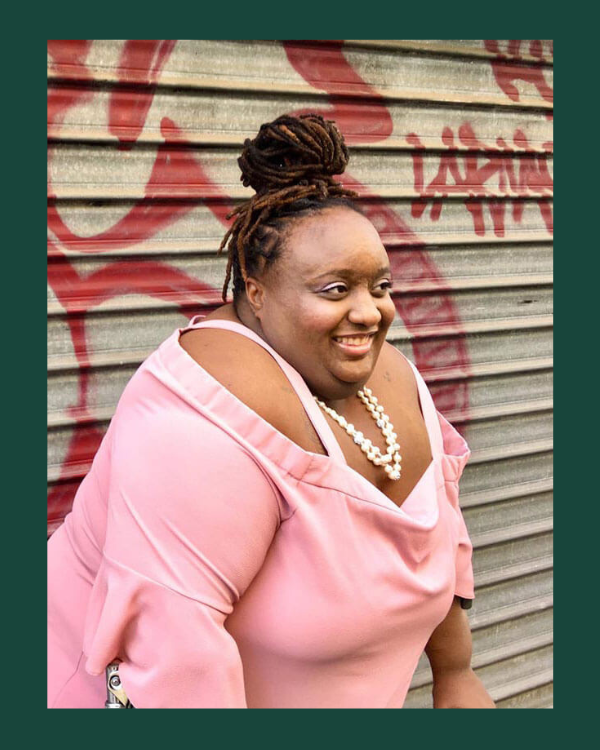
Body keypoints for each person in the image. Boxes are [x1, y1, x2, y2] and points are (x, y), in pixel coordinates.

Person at [47, 113, 495, 709]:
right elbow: (170, 677)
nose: (369, 313)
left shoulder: (391, 378)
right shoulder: (195, 430)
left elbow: (434, 535)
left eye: (380, 287)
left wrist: (455, 672)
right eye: (336, 290)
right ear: (255, 292)